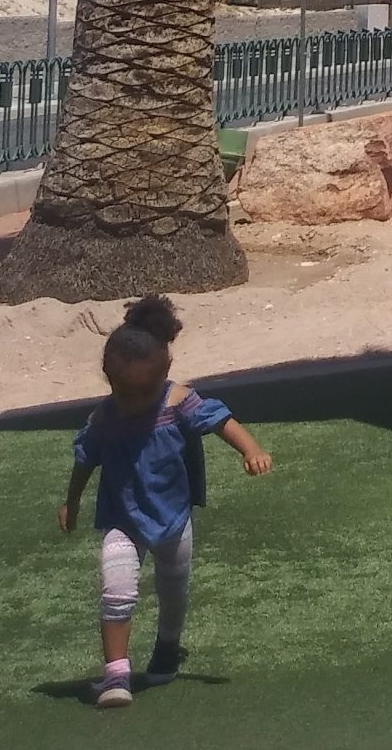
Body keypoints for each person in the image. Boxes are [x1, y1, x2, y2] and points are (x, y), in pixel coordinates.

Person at [58, 294, 272, 708]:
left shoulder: (178, 404)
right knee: (116, 589)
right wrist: (71, 502)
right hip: (122, 518)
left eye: (143, 393)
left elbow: (221, 421)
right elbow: (85, 460)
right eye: (123, 392)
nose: (133, 403)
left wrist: (251, 449)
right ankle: (116, 675)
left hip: (173, 517)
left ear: (166, 373)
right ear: (108, 378)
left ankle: (167, 647)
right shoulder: (105, 418)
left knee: (173, 590)